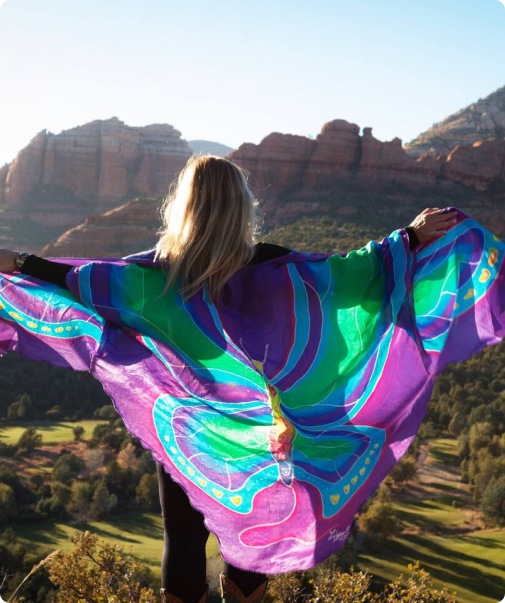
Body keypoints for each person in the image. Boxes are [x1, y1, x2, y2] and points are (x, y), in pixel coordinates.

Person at [0, 155, 462, 603]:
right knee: (252, 530)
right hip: (256, 430)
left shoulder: (152, 275)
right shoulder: (276, 269)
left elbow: (80, 279)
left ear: (184, 206)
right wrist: (408, 239)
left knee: (182, 538)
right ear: (242, 207)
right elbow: (349, 274)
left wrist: (19, 263)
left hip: (184, 429)